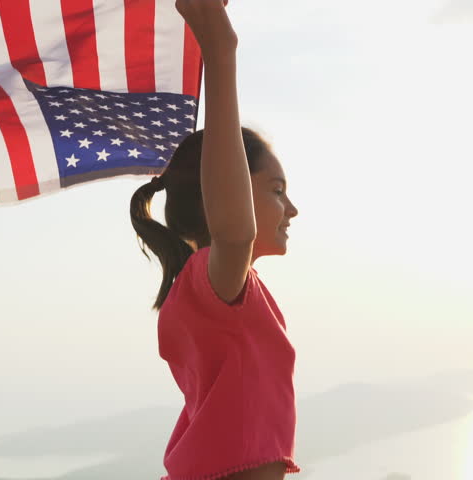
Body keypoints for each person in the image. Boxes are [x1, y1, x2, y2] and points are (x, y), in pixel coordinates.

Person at [128, 1, 300, 478]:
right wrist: (220, 53)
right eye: (278, 191)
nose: (292, 209)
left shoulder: (223, 288)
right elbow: (235, 231)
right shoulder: (213, 278)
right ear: (230, 194)